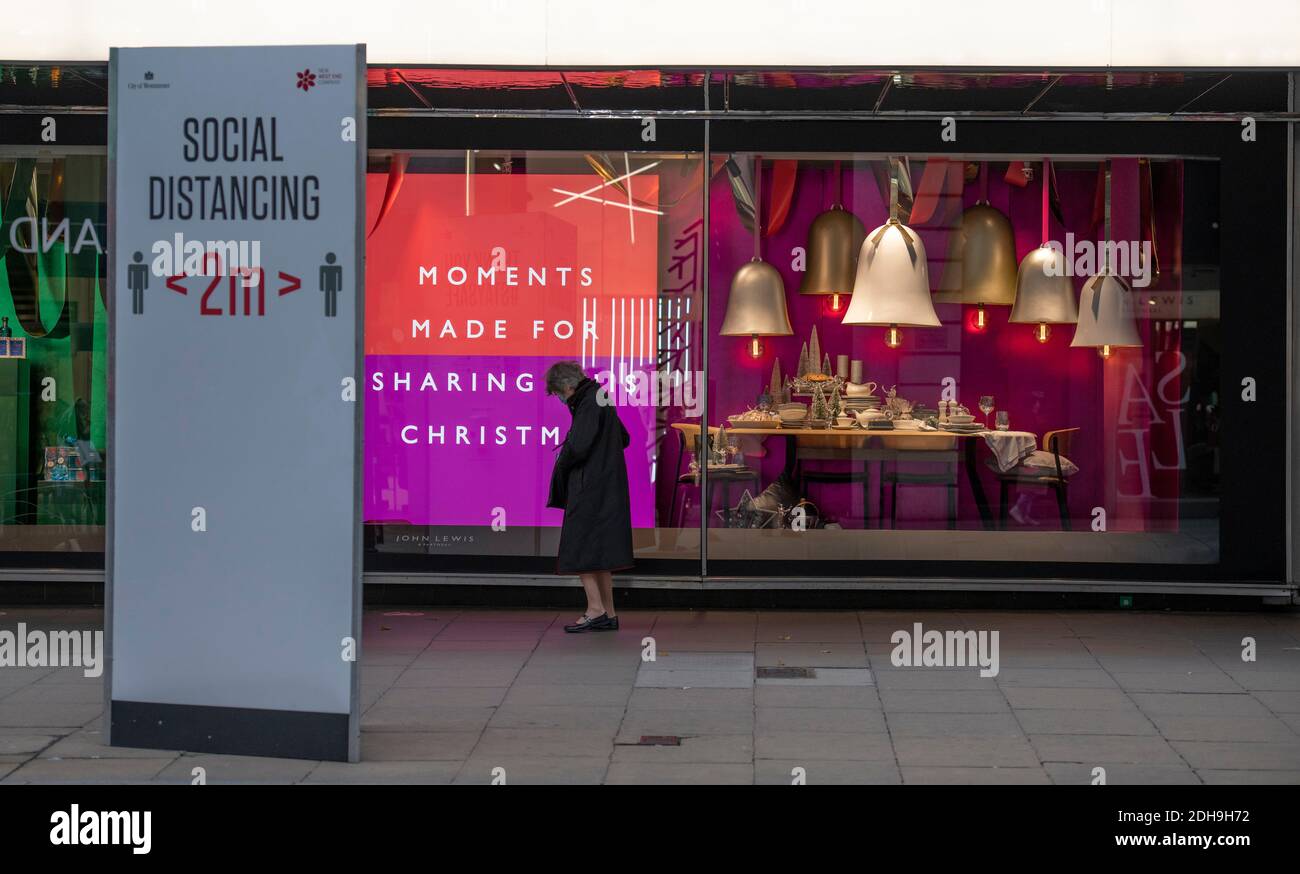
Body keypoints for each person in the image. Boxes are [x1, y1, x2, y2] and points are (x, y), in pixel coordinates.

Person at [544, 361, 633, 633]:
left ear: (569, 387)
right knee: (600, 551)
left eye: (560, 393)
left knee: (580, 544)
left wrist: (563, 458)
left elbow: (580, 446)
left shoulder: (587, 401)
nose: (561, 399)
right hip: (607, 485)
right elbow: (624, 437)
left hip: (589, 486)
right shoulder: (600, 396)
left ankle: (594, 610)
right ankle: (609, 612)